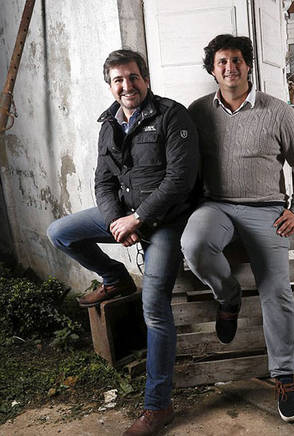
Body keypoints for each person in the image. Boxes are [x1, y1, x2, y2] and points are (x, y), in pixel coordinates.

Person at [47, 49, 199, 436]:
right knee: (60, 232)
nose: (126, 86)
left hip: (164, 222)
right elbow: (103, 181)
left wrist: (139, 218)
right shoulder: (108, 124)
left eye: (133, 77)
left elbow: (181, 179)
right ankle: (115, 276)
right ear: (110, 84)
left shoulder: (171, 115)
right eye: (118, 79)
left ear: (145, 79)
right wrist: (117, 219)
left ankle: (157, 406)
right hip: (124, 214)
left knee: (154, 308)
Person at [181, 34, 294, 423]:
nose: (230, 67)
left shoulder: (278, 111)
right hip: (216, 206)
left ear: (248, 65)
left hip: (267, 211)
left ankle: (284, 375)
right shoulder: (198, 112)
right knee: (194, 245)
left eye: (237, 60)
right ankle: (228, 298)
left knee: (277, 291)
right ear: (212, 69)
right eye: (222, 61)